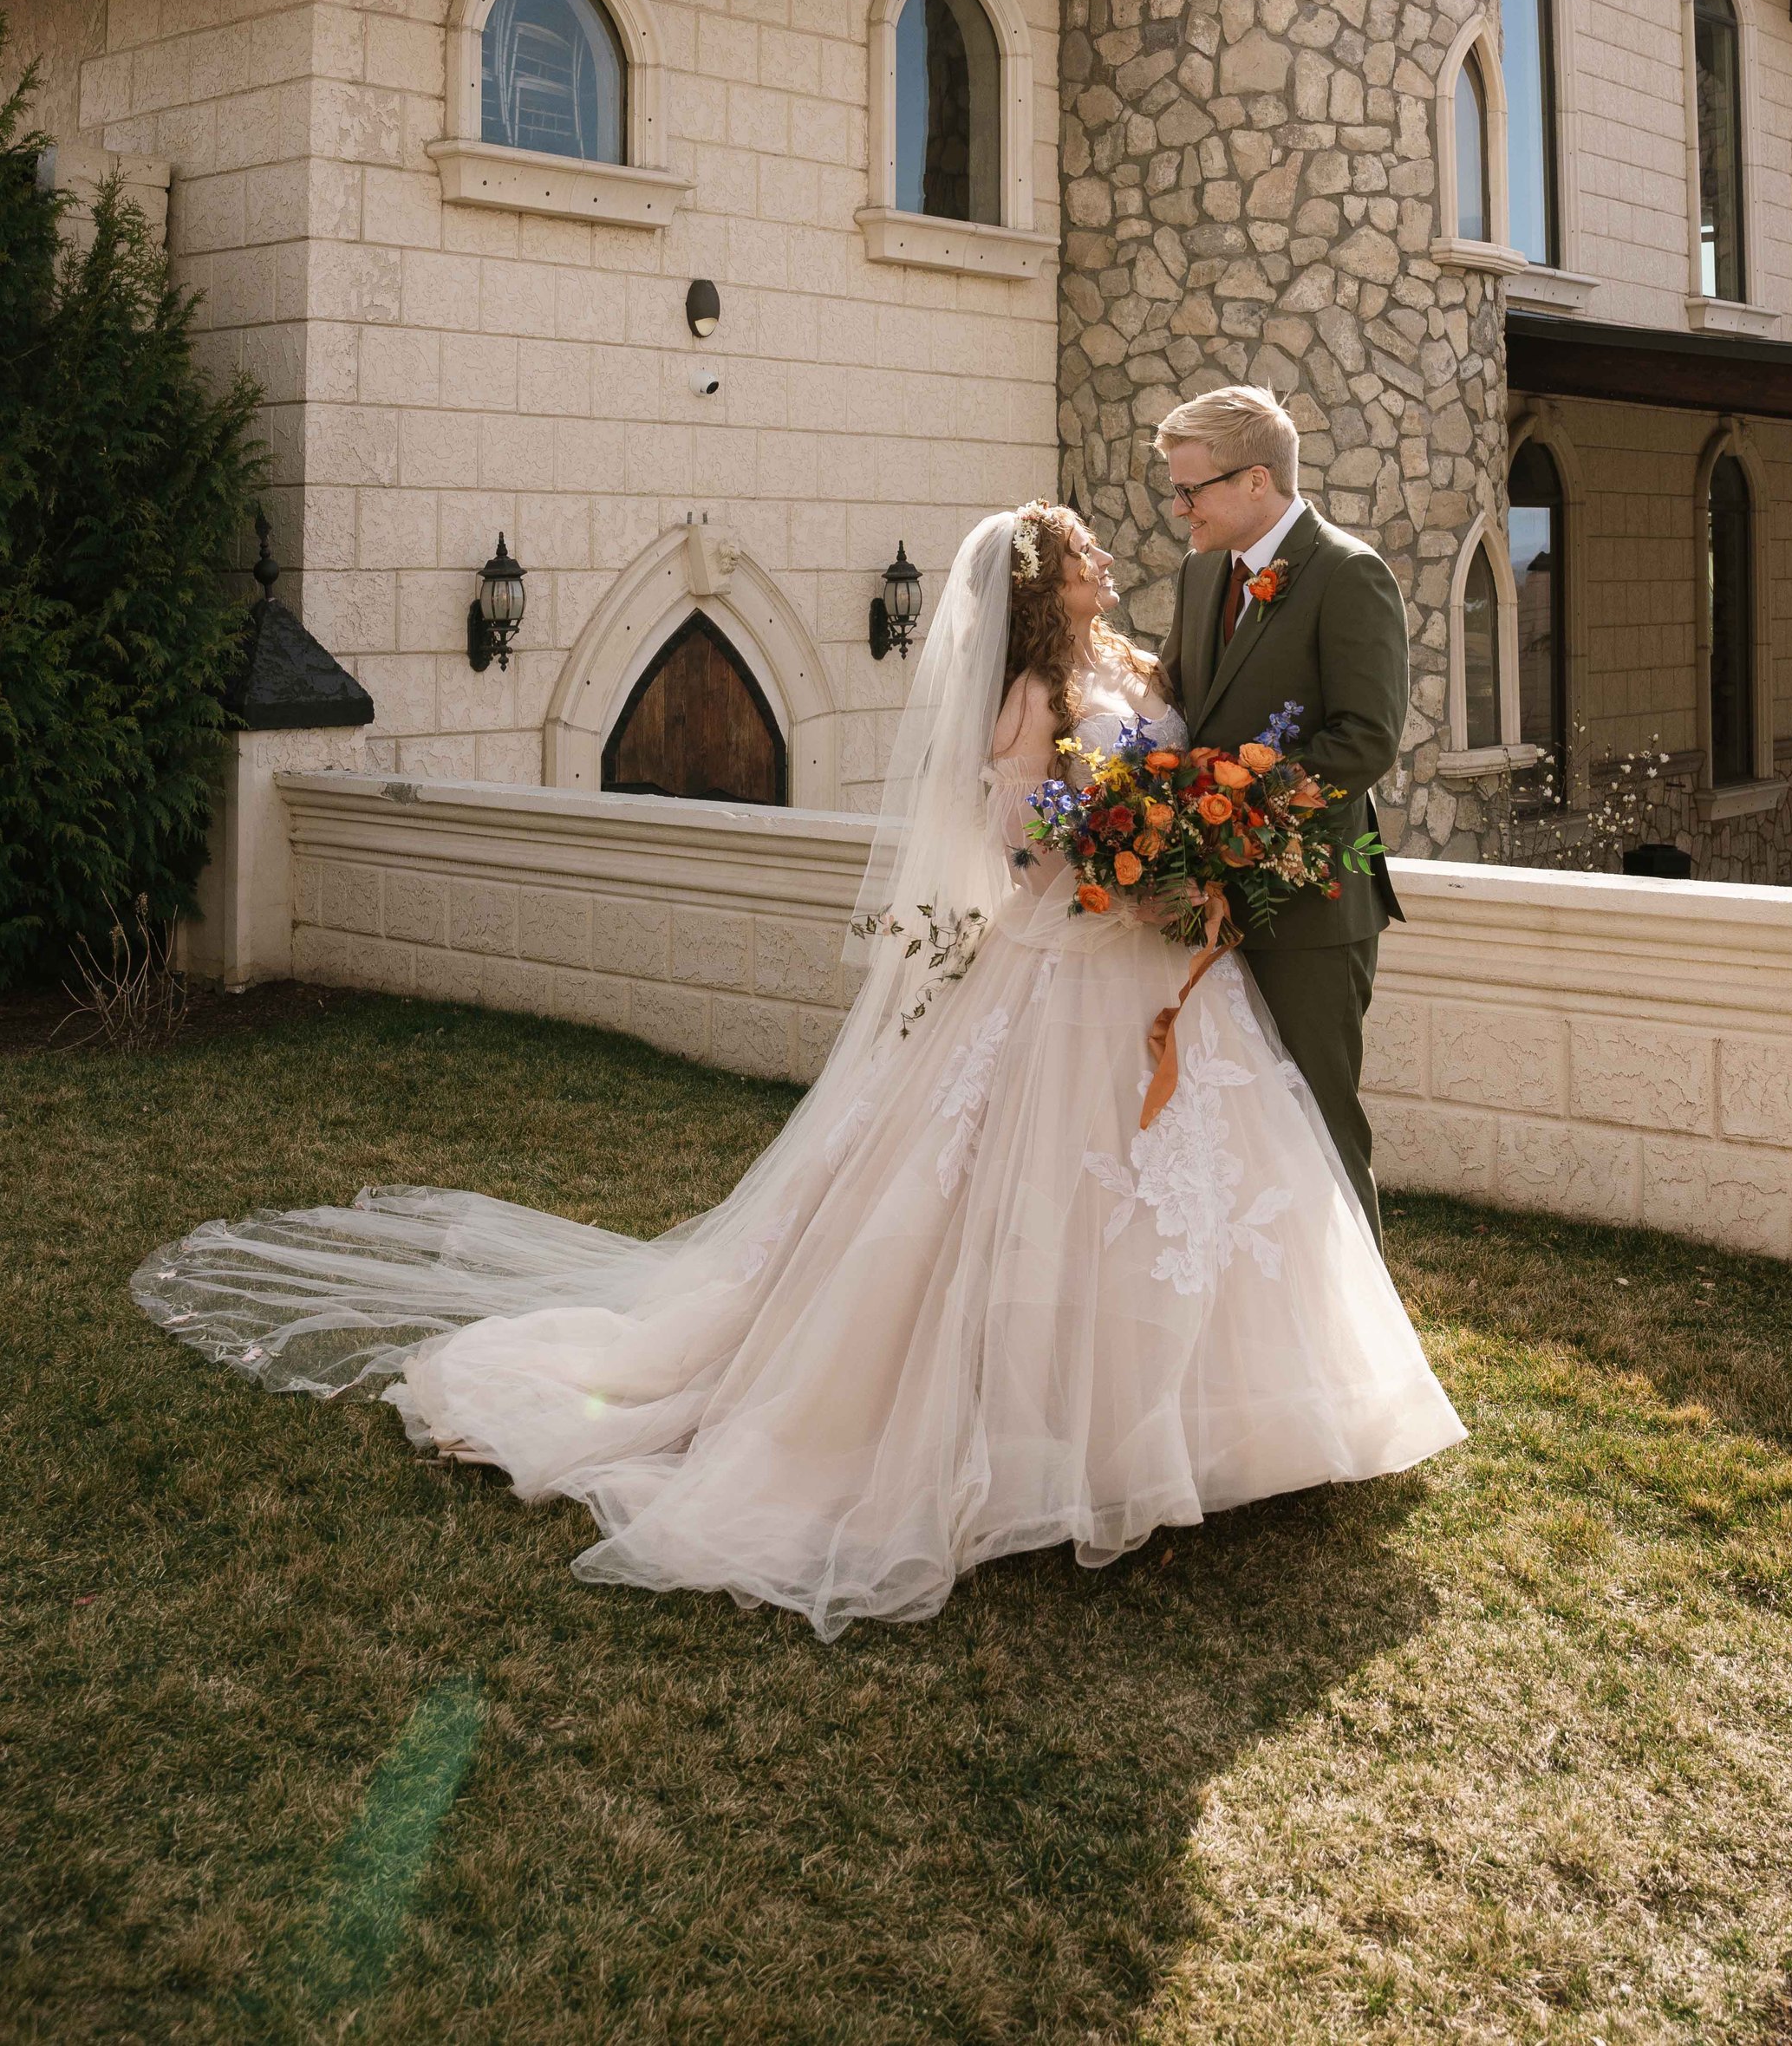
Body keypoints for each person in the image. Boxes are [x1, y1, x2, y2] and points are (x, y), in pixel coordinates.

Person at [133, 505, 1460, 1638]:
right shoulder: (1030, 697)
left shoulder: (1128, 658)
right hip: (1069, 962)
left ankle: (1226, 1425)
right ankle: (1042, 1431)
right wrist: (1116, 876)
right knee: (1032, 1198)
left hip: (1162, 969)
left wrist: (1172, 865)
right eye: (1081, 549)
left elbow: (1174, 764)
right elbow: (1014, 843)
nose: (1105, 551)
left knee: (1188, 1196)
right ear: (1041, 584)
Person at [1153, 387, 1410, 1241]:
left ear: (1256, 480)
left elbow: (1365, 741)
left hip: (1311, 904)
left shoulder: (1348, 573)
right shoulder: (1198, 574)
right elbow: (1178, 705)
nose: (1178, 508)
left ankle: (1369, 1351)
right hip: (1207, 898)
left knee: (1316, 1121)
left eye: (1192, 490)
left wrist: (1232, 802)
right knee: (1234, 1132)